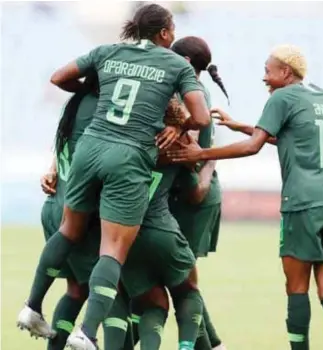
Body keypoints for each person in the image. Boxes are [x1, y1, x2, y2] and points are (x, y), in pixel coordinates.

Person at [17, 3, 210, 350]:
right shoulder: (175, 64)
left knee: (69, 232)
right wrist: (179, 121)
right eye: (173, 31)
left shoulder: (108, 51)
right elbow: (202, 117)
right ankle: (87, 333)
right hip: (127, 156)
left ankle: (31, 306)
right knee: (114, 251)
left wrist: (96, 86)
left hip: (89, 149)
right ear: (164, 33)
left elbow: (58, 77)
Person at [168, 44, 323, 350]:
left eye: (268, 71)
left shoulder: (282, 97)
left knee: (296, 288)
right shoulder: (321, 97)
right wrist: (240, 125)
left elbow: (253, 147)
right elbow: (290, 136)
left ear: (285, 72)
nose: (264, 78)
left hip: (304, 204)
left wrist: (201, 152)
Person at [104, 98, 210, 350]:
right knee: (188, 291)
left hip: (123, 237)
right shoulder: (177, 144)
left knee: (153, 303)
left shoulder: (119, 138)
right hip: (161, 229)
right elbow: (196, 193)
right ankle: (186, 347)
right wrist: (208, 164)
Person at [17, 72, 100, 345]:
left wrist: (52, 169)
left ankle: (44, 325)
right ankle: (90, 336)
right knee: (115, 289)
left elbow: (65, 145)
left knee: (76, 291)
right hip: (77, 213)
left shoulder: (75, 103)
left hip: (54, 205)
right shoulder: (103, 109)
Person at [170, 36, 230, 350]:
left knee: (181, 279)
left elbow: (190, 141)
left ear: (187, 63)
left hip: (196, 195)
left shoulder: (191, 91)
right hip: (192, 189)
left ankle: (209, 345)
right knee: (179, 278)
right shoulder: (189, 89)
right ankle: (212, 345)